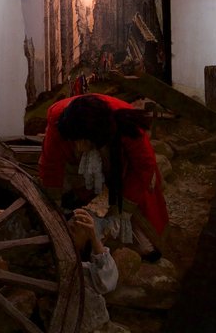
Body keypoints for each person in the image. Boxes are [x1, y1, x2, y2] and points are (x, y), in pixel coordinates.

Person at [39, 93, 168, 262]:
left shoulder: (126, 124)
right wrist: (53, 215)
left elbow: (143, 167)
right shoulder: (60, 123)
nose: (79, 147)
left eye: (83, 142)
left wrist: (120, 213)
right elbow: (51, 166)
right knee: (69, 197)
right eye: (77, 141)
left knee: (147, 249)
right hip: (79, 158)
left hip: (121, 159)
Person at [68, 208, 121, 333]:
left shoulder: (84, 270)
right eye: (72, 221)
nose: (74, 224)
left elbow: (109, 282)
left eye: (79, 227)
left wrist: (93, 236)